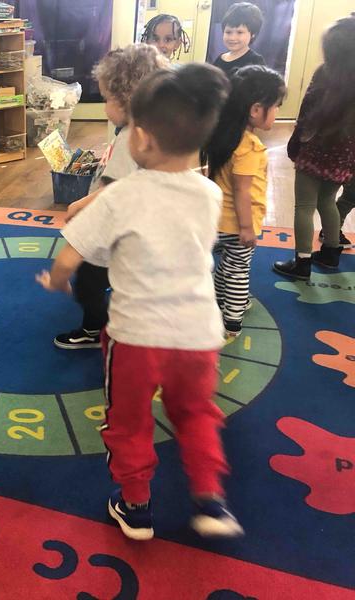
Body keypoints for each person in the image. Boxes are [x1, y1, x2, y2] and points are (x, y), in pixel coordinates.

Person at [38, 63, 243, 541]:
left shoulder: (121, 196)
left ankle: (135, 506)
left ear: (143, 139)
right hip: (198, 336)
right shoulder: (210, 193)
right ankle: (210, 500)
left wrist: (57, 283)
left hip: (136, 339)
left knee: (128, 422)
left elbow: (71, 254)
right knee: (196, 414)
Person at [54, 44, 168, 350]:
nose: (104, 107)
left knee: (88, 285)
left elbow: (113, 190)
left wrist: (78, 205)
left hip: (113, 232)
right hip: (137, 230)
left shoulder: (132, 137)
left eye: (106, 99)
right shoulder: (150, 131)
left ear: (126, 99)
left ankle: (96, 330)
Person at [205, 65, 286, 336]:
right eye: (275, 106)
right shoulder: (250, 147)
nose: (277, 112)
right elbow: (242, 191)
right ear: (255, 109)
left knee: (221, 268)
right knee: (237, 272)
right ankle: (232, 323)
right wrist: (247, 227)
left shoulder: (221, 136)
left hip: (216, 221)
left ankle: (216, 306)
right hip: (239, 225)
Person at [273, 16, 355, 279]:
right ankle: (331, 254)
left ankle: (302, 261)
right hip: (344, 156)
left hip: (315, 151)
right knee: (328, 201)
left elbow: (305, 113)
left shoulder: (324, 73)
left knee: (304, 206)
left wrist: (295, 143)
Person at [212, 2, 266, 77]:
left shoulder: (255, 61)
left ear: (253, 34)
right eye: (228, 32)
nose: (232, 38)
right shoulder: (220, 59)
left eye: (240, 32)